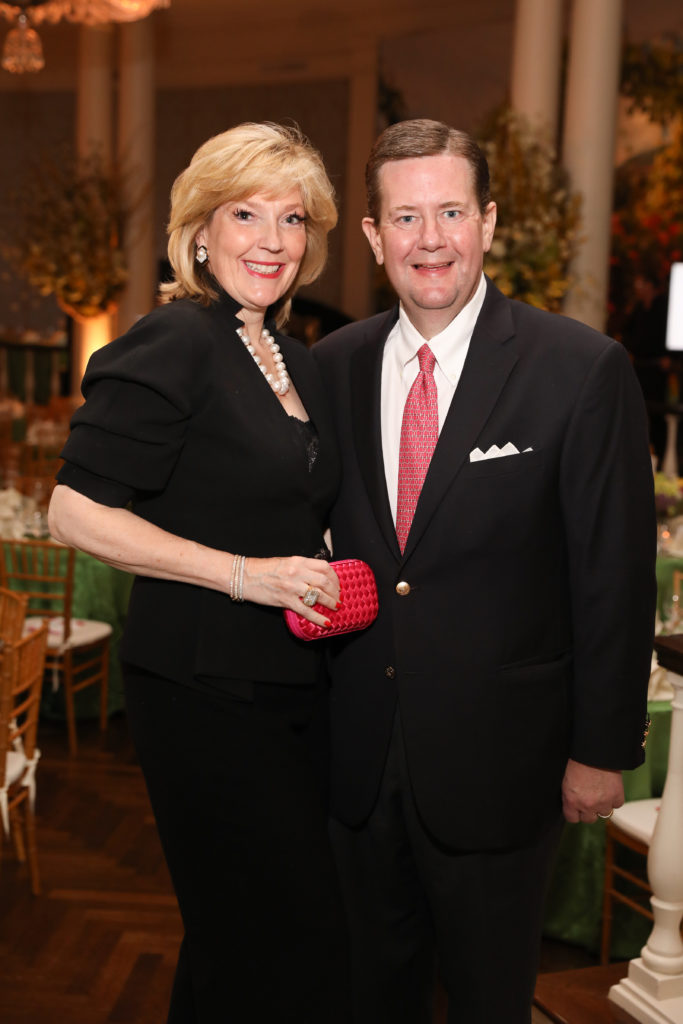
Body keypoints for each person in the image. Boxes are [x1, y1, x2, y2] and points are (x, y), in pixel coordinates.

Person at [312, 119, 656, 1024]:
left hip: (503, 768)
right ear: (372, 234)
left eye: (452, 212)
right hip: (354, 759)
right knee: (364, 994)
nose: (430, 239)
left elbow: (613, 577)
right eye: (406, 216)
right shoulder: (329, 369)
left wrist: (600, 749)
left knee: (488, 1002)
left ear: (489, 222)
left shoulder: (580, 370)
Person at [48, 122, 351, 1023]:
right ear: (201, 230)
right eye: (245, 213)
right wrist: (242, 574)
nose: (270, 239)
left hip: (293, 685)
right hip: (201, 689)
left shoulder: (294, 358)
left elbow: (269, 495)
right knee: (276, 938)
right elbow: (73, 511)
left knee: (245, 942)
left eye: (291, 219)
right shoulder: (173, 338)